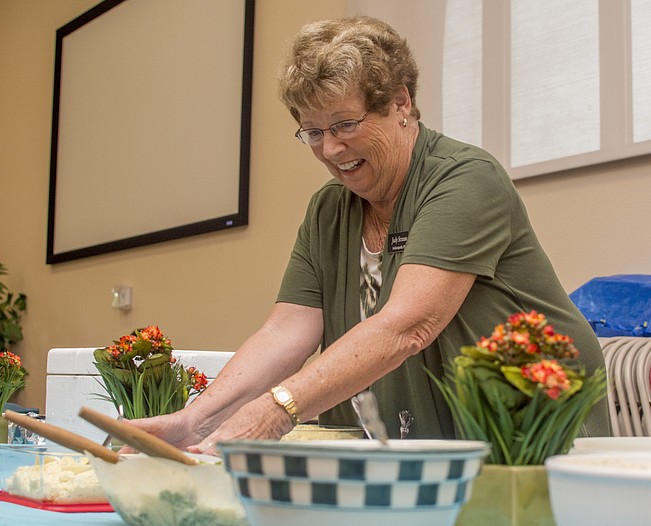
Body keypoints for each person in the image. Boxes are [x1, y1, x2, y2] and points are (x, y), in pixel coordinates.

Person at [132, 15, 610, 455]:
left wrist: (277, 410)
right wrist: (198, 420)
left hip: (534, 435)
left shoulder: (465, 179)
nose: (330, 148)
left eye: (344, 124)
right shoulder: (327, 209)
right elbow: (285, 331)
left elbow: (406, 327)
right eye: (312, 132)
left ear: (400, 103)